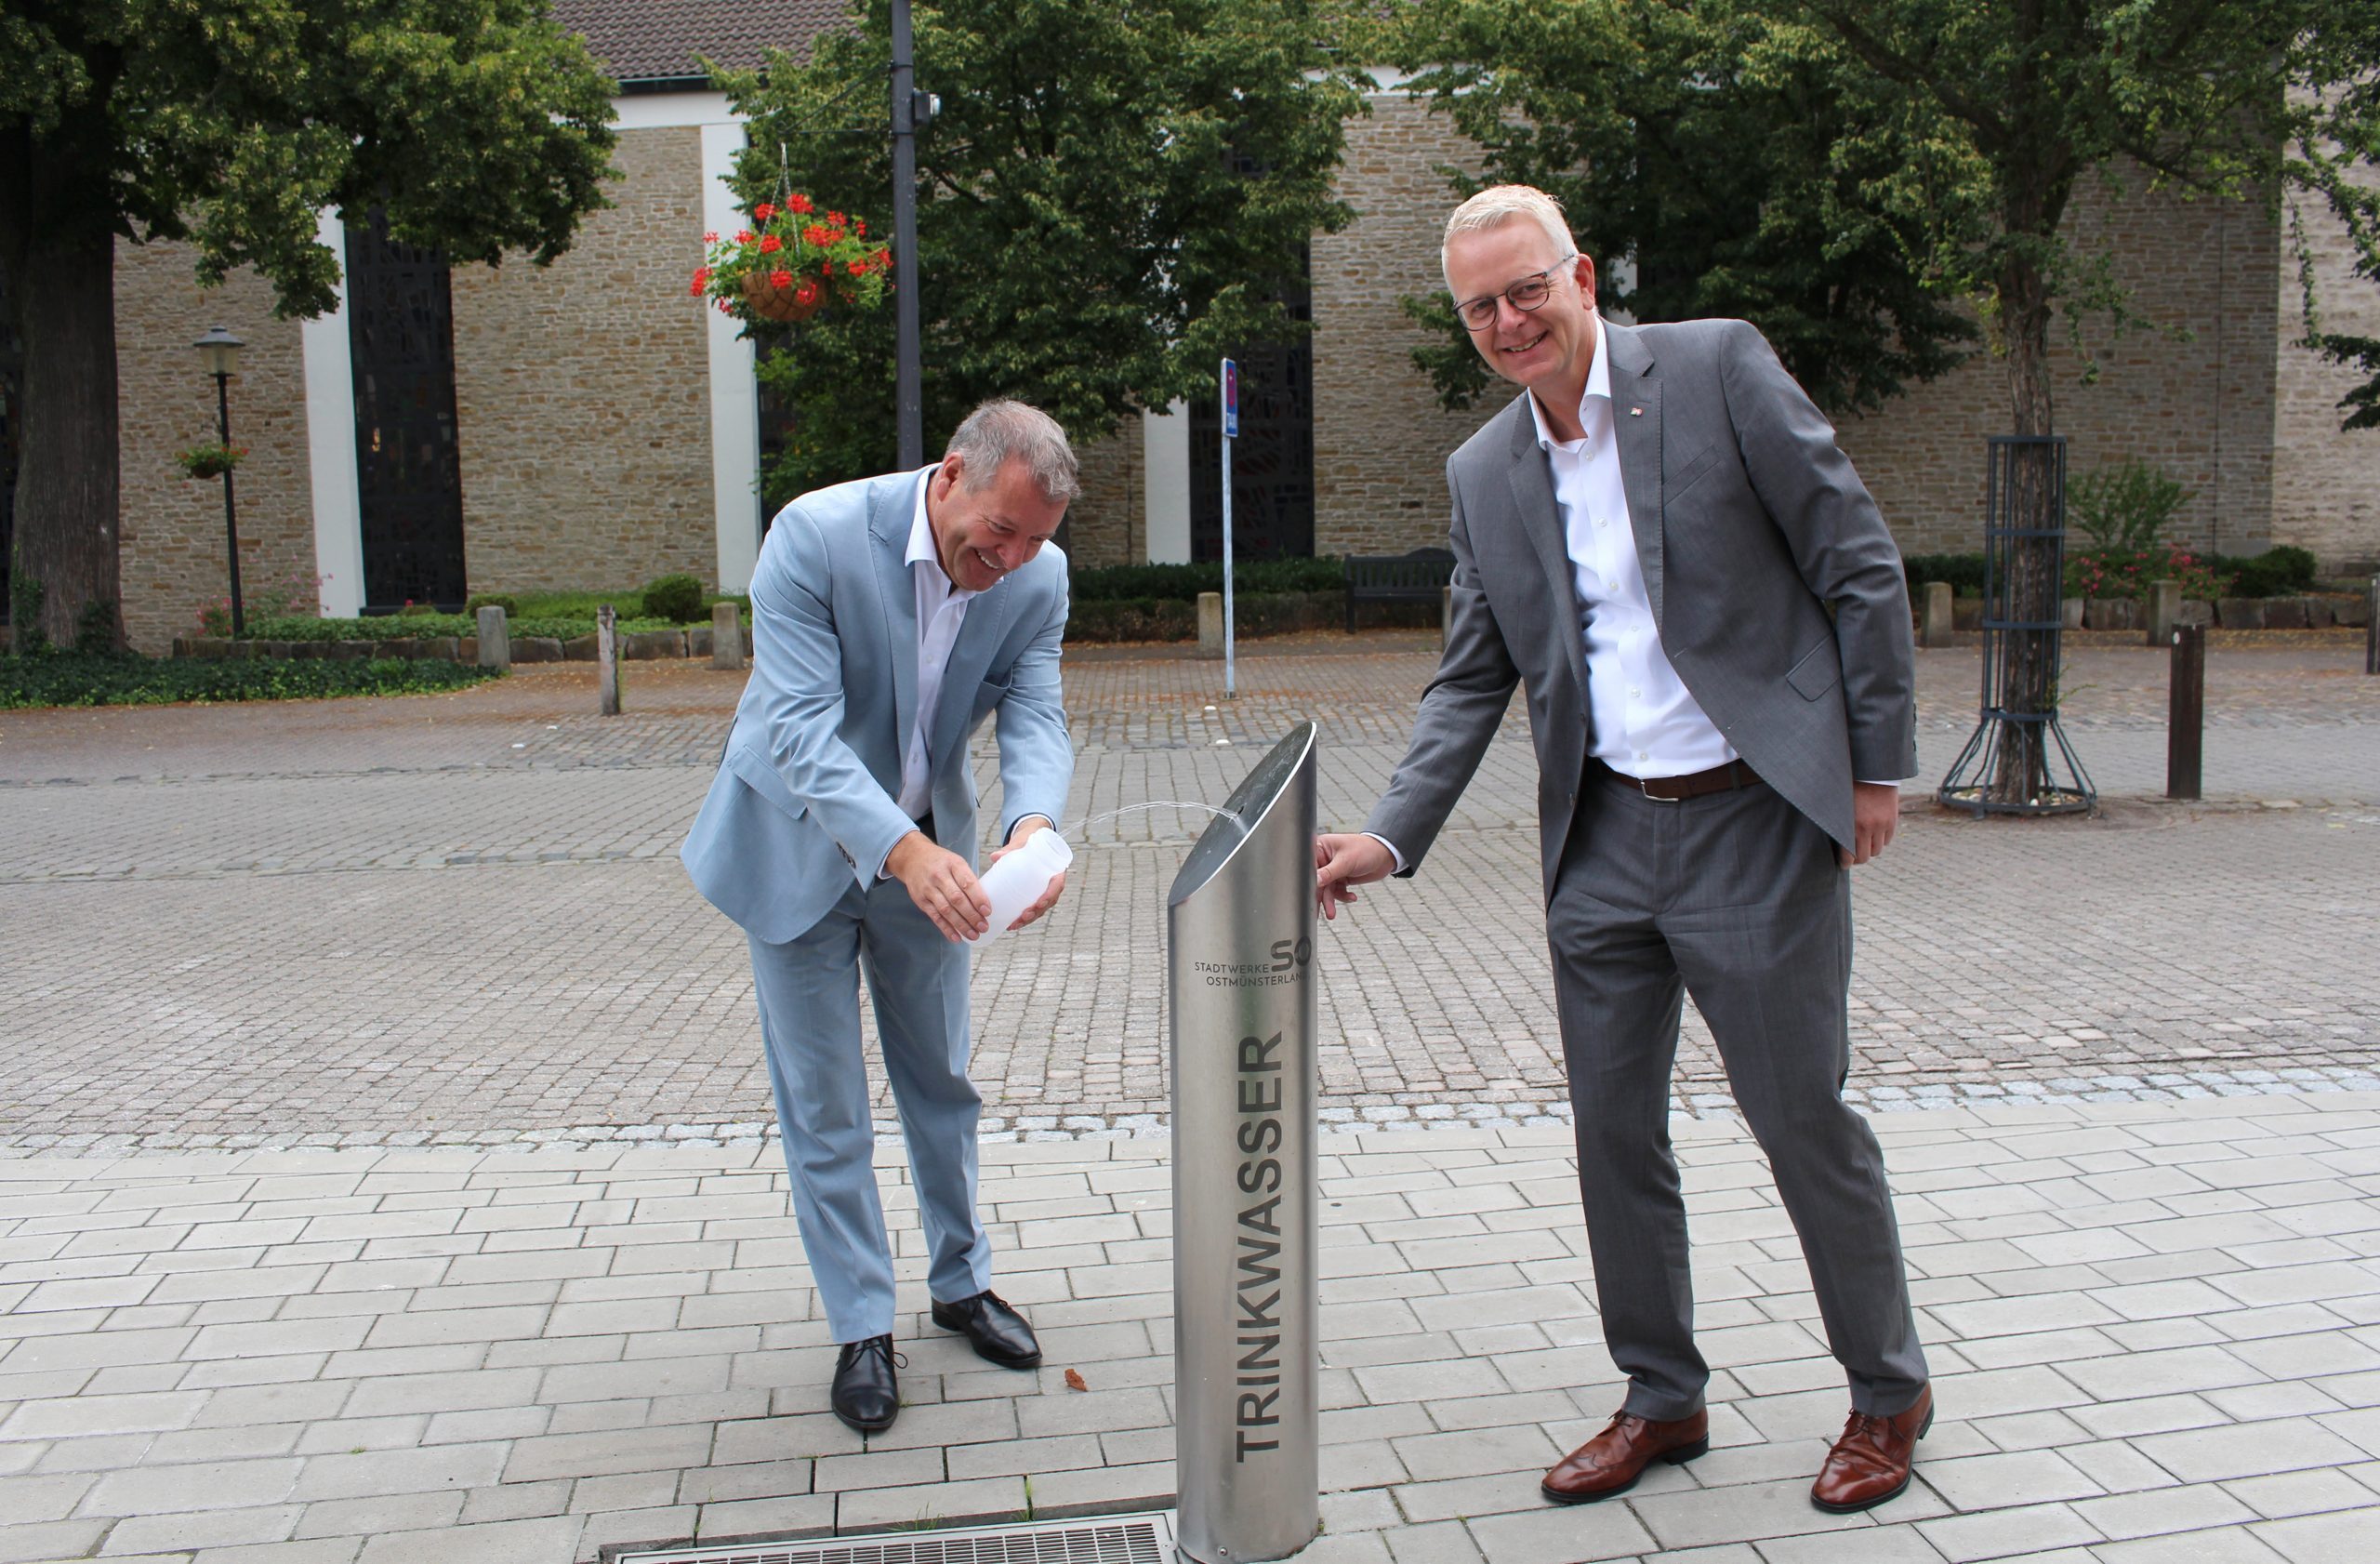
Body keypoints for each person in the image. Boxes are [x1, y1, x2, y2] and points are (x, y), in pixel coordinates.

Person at [1314, 187, 1933, 1514]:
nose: (1507, 321)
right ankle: (1663, 1394)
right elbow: (1470, 676)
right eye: (1480, 306)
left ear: (1579, 274)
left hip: (1751, 821)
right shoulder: (1486, 471)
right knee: (1612, 1134)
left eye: (1524, 287)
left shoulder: (1714, 369)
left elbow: (1857, 562)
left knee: (1799, 1118)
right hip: (1600, 840)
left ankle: (1888, 1388)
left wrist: (1874, 765)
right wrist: (1390, 833)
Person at [681, 399, 1077, 1436]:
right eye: (1000, 532)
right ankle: (860, 1323)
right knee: (826, 1102)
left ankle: (961, 1281)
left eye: (1037, 540)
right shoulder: (813, 536)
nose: (1013, 559)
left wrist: (1032, 826)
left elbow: (1035, 708)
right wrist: (901, 849)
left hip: (933, 852)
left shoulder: (1036, 574)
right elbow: (800, 731)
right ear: (951, 475)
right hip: (796, 844)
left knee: (941, 1078)